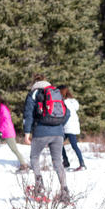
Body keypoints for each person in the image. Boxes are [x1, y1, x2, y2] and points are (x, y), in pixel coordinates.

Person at [23, 74, 70, 202]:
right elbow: (68, 112)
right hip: (58, 133)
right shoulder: (55, 92)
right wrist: (58, 125)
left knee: (34, 157)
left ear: (35, 82)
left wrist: (27, 133)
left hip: (41, 132)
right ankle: (65, 191)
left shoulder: (34, 93)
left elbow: (28, 114)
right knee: (57, 161)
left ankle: (39, 187)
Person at [0, 91, 28, 171]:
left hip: (8, 132)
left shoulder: (3, 108)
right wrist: (0, 131)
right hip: (2, 133)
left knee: (14, 149)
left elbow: (7, 120)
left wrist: (1, 131)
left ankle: (24, 165)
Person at [57, 85, 86, 171]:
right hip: (72, 126)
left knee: (72, 145)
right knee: (60, 143)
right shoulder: (72, 102)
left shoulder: (64, 102)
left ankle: (81, 164)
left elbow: (65, 115)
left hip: (68, 126)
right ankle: (66, 161)